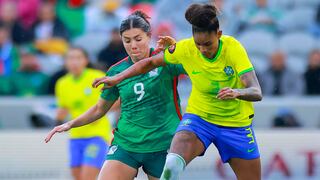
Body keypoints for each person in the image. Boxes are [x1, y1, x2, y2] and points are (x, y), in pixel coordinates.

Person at [93, 3, 263, 180]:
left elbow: (256, 91)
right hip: (200, 119)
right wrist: (118, 78)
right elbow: (149, 63)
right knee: (173, 163)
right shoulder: (185, 48)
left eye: (207, 44)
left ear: (219, 35)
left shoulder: (233, 48)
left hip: (236, 124)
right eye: (198, 44)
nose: (203, 49)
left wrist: (237, 92)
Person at [45, 11, 185, 180]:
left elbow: (198, 65)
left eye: (138, 39)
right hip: (126, 145)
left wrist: (178, 50)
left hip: (162, 144)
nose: (133, 45)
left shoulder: (167, 59)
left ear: (149, 36)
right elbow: (99, 109)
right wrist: (70, 124)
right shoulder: (116, 71)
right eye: (127, 40)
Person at [48, 47, 112, 180]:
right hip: (75, 137)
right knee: (78, 177)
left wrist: (100, 113)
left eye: (78, 58)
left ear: (86, 60)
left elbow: (116, 100)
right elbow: (64, 107)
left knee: (86, 177)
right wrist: (56, 122)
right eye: (70, 58)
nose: (74, 62)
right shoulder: (62, 83)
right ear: (65, 62)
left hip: (97, 135)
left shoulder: (96, 77)